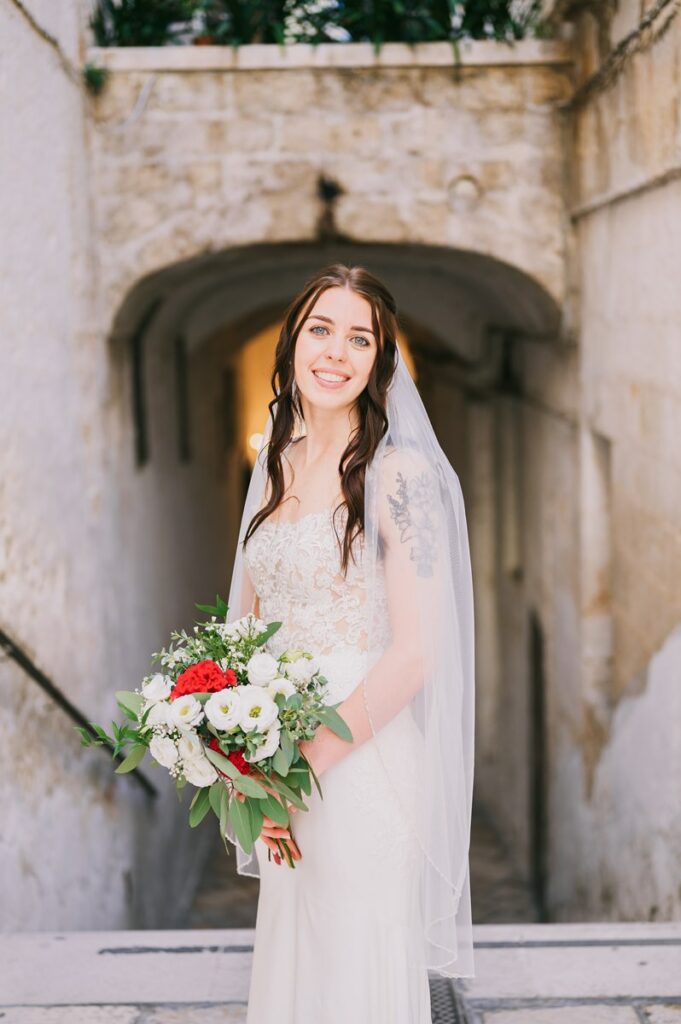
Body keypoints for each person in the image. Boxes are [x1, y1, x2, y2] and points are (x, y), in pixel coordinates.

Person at [226, 263, 476, 1023]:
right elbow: (245, 624)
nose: (336, 351)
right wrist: (237, 753)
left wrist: (301, 769)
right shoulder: (277, 458)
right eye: (320, 329)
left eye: (359, 338)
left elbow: (414, 655)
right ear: (293, 342)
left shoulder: (397, 475)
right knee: (300, 960)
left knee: (356, 965)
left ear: (379, 363)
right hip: (280, 757)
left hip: (360, 756)